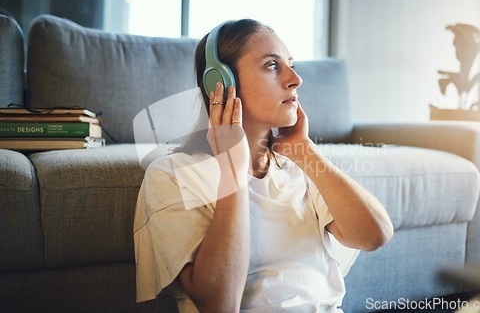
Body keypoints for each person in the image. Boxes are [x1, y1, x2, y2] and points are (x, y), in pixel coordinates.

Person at [134, 19, 393, 312]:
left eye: (291, 64)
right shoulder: (172, 175)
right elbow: (219, 305)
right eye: (272, 65)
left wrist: (304, 151)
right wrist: (232, 171)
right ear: (220, 82)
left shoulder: (299, 168)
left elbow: (375, 235)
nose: (296, 78)